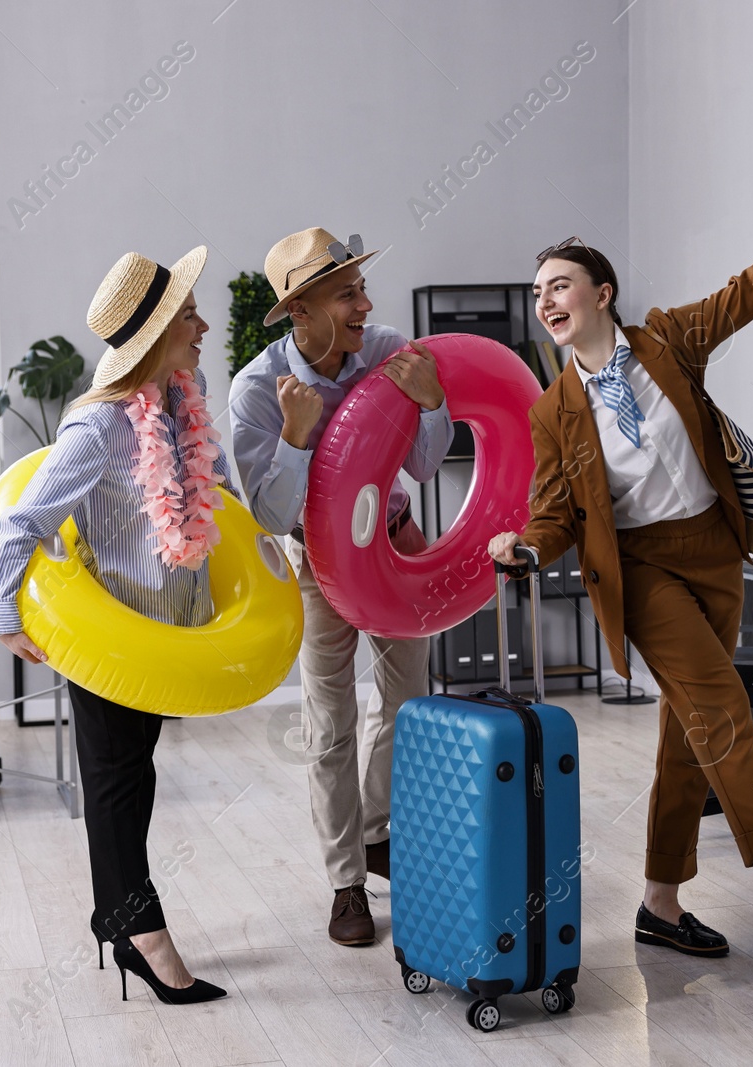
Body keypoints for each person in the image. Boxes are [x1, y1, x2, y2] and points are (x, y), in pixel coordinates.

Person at [490, 133, 753, 959]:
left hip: (716, 552)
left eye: (559, 284)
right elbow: (554, 511)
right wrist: (529, 547)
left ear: (602, 293)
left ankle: (660, 902)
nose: (545, 301)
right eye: (537, 293)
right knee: (723, 708)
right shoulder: (553, 409)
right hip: (640, 570)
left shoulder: (671, 341)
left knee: (688, 729)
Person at [0, 245, 231, 1003]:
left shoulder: (170, 408)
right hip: (111, 635)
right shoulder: (99, 428)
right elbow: (17, 521)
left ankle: (115, 918)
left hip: (159, 632)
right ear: (155, 333)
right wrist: (3, 613)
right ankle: (142, 932)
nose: (203, 324)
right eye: (188, 314)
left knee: (131, 773)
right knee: (118, 782)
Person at [228, 227, 453, 946]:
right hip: (317, 561)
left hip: (396, 543)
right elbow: (267, 512)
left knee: (409, 703)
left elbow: (424, 465)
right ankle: (345, 882)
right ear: (301, 311)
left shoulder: (387, 351)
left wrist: (431, 403)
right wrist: (297, 436)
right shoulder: (259, 389)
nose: (367, 303)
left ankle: (381, 832)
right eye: (347, 293)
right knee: (329, 723)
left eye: (361, 288)